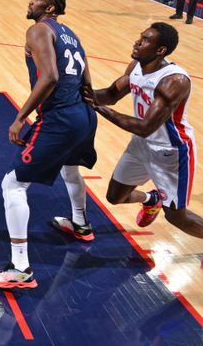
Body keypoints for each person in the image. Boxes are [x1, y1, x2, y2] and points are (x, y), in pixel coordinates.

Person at [0, 0, 97, 290]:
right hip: (83, 115)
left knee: (12, 184)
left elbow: (49, 77)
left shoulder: (38, 30)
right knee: (69, 168)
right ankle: (80, 223)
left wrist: (21, 118)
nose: (30, 1)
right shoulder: (70, 34)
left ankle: (20, 268)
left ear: (49, 9)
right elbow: (87, 81)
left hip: (61, 117)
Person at [83, 23, 202, 237]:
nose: (138, 42)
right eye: (140, 37)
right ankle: (152, 199)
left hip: (170, 152)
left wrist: (98, 107)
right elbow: (111, 94)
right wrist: (76, 92)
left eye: (145, 39)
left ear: (160, 50)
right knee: (115, 196)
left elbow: (145, 127)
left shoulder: (174, 81)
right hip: (141, 145)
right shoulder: (136, 67)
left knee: (176, 217)